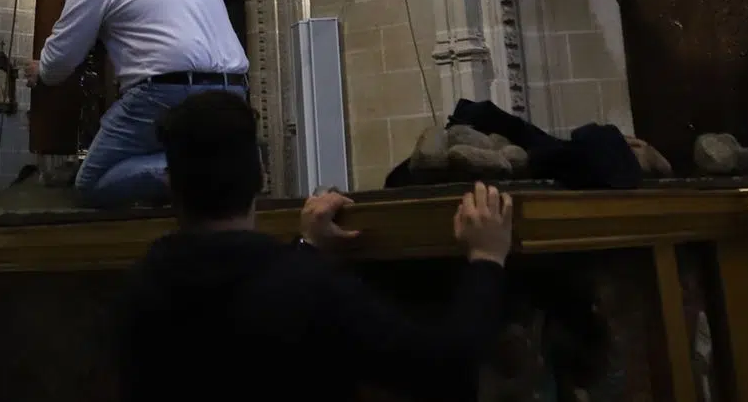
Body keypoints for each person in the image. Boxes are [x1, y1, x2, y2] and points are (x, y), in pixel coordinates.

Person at [117, 90, 514, 401]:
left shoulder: (141, 286)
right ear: (261, 174)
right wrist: (486, 259)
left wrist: (307, 246)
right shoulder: (310, 287)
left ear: (171, 184)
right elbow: (443, 370)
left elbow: (239, 302)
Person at [24, 0, 249, 207]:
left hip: (167, 93)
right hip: (233, 91)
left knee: (92, 182)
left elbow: (65, 52)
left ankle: (209, 169)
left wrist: (43, 70)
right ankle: (223, 162)